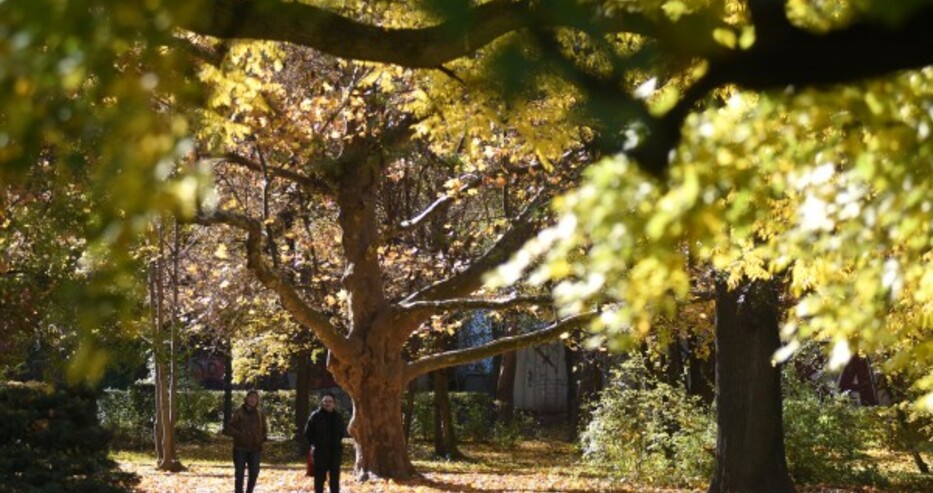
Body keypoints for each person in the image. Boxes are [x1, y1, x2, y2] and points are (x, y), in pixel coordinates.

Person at [228, 390, 268, 493]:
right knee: (240, 473)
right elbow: (230, 427)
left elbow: (264, 428)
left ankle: (249, 491)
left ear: (257, 400)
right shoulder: (239, 412)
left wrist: (262, 438)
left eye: (255, 397)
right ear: (246, 399)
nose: (252, 399)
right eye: (250, 397)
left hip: (255, 447)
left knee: (254, 472)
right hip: (240, 447)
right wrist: (240, 435)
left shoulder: (260, 414)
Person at [304, 392, 344, 493]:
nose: (327, 403)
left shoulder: (338, 417)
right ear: (322, 403)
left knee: (334, 481)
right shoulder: (315, 416)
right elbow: (308, 433)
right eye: (325, 401)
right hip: (320, 453)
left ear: (334, 404)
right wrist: (314, 444)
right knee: (319, 481)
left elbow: (342, 433)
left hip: (335, 453)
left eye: (330, 401)